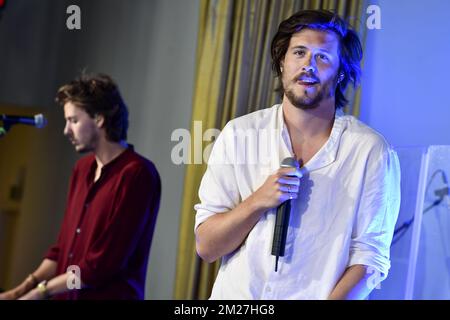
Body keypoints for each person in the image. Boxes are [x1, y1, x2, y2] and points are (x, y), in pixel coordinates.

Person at [194, 10, 401, 299]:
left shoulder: (370, 151)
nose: (308, 65)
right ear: (282, 62)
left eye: (323, 56)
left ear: (341, 71)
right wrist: (258, 201)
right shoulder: (239, 134)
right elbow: (207, 246)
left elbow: (370, 260)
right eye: (299, 52)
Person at [0, 73, 161, 300]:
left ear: (99, 119)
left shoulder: (137, 174)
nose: (66, 130)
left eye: (73, 120)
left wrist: (40, 293)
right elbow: (63, 249)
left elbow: (101, 265)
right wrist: (20, 290)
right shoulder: (82, 169)